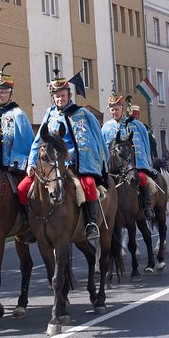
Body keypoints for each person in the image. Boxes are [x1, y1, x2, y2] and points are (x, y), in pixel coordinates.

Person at [18, 71, 108, 239]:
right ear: (53, 97)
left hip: (74, 164)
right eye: (57, 96)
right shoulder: (49, 114)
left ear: (69, 95)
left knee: (88, 184)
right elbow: (38, 141)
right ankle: (28, 224)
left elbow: (97, 140)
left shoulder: (82, 114)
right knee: (22, 188)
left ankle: (91, 223)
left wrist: (102, 164)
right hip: (50, 165)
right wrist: (31, 163)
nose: (60, 99)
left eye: (63, 95)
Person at [102, 95, 156, 218]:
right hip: (114, 166)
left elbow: (145, 145)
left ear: (122, 108)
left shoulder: (136, 125)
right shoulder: (105, 127)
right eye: (112, 110)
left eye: (117, 109)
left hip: (134, 164)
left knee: (141, 177)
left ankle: (147, 206)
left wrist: (147, 163)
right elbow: (103, 148)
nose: (114, 112)